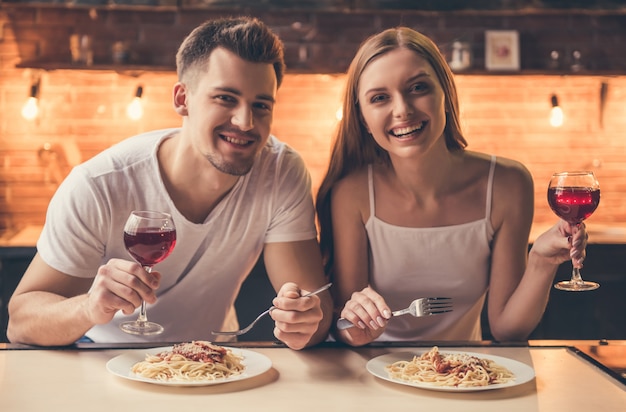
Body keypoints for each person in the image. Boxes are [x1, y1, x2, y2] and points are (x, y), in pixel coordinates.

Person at [8, 16, 332, 350]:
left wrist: (305, 321)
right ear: (182, 99)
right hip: (103, 354)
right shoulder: (99, 184)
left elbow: (315, 312)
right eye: (225, 98)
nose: (245, 121)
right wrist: (88, 306)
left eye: (261, 105)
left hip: (213, 358)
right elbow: (21, 322)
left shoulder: (280, 170)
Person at [315, 27, 588, 346]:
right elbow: (347, 326)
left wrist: (542, 260)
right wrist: (357, 327)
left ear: (444, 93)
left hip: (461, 375)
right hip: (370, 373)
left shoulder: (507, 184)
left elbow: (507, 329)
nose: (402, 109)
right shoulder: (351, 192)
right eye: (380, 98)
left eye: (418, 88)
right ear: (363, 118)